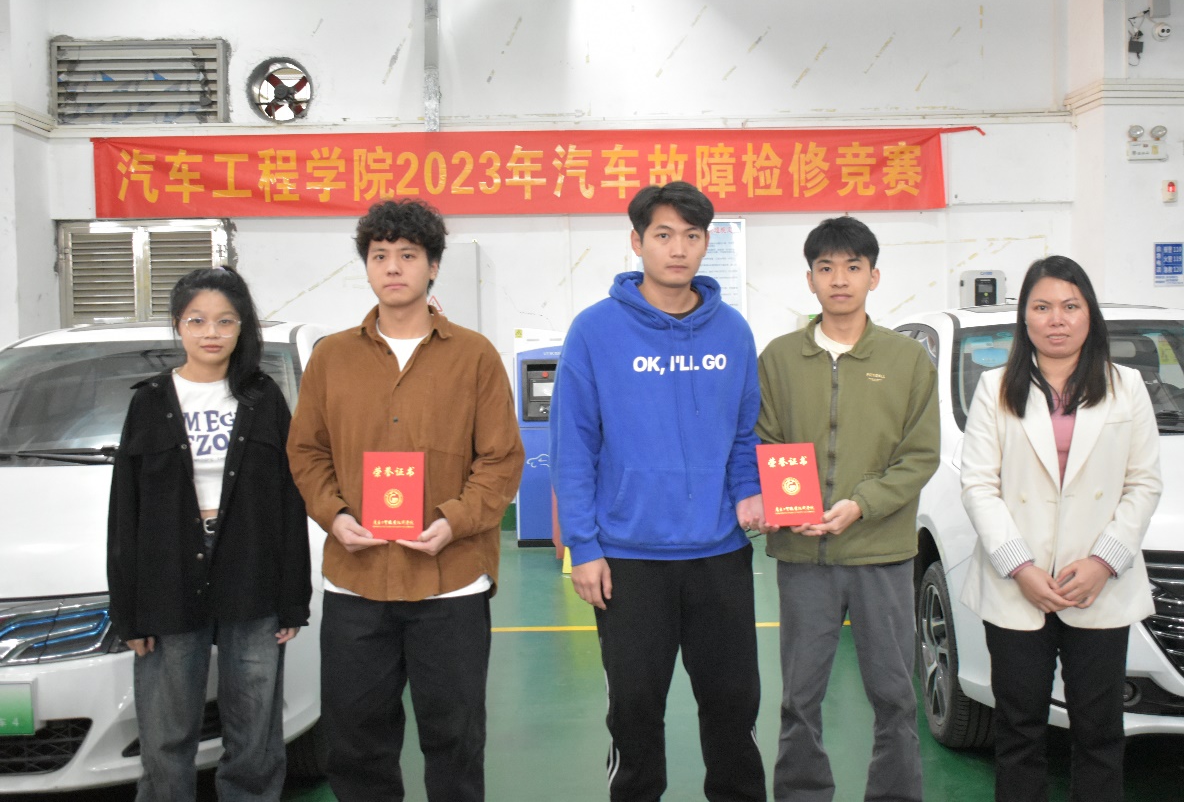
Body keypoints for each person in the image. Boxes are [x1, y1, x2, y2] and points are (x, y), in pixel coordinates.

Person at [286, 198, 523, 802]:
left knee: (456, 738)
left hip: (451, 582)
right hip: (356, 582)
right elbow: (306, 452)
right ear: (366, 266)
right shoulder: (332, 358)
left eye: (408, 255)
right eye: (380, 255)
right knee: (356, 742)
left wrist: (454, 521)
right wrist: (335, 515)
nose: (393, 267)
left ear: (433, 266)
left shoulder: (474, 356)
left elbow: (500, 459)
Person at [550, 181, 767, 802]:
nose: (678, 249)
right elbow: (574, 446)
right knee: (635, 709)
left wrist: (749, 491)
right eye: (664, 235)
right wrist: (584, 546)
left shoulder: (733, 331)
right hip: (628, 559)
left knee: (733, 705)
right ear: (637, 241)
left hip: (719, 554)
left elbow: (743, 434)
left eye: (691, 236)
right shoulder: (594, 331)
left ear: (706, 243)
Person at [959, 255, 1162, 802]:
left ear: (1089, 314)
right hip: (1018, 584)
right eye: (1042, 307)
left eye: (1070, 306)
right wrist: (1020, 567)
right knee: (1018, 729)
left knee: (1099, 731)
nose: (1056, 319)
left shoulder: (1126, 386)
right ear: (1023, 317)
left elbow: (1144, 483)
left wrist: (1103, 561)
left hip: (1097, 583)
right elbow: (978, 485)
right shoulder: (995, 388)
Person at [107, 266, 311, 802]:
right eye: (197, 320)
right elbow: (126, 510)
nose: (211, 332)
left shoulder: (263, 397)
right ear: (179, 326)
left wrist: (293, 598)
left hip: (253, 574)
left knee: (255, 731)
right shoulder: (150, 400)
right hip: (168, 577)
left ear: (242, 327)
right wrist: (127, 612)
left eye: (225, 321)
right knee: (167, 731)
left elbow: (288, 501)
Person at [755, 216, 939, 802]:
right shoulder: (779, 358)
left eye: (853, 267)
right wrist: (786, 507)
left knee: (895, 696)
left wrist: (861, 505)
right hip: (803, 555)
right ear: (810, 279)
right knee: (799, 697)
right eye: (826, 268)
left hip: (880, 554)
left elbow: (919, 455)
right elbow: (764, 440)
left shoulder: (907, 360)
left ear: (873, 277)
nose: (840, 279)